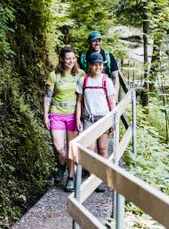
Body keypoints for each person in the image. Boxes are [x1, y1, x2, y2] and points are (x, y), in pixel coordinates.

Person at [44, 47, 84, 192]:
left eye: (73, 58)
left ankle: (71, 178)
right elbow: (47, 96)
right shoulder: (54, 75)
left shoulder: (80, 74)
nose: (71, 61)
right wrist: (45, 115)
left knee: (71, 148)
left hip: (73, 116)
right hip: (56, 114)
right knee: (59, 147)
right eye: (68, 58)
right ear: (61, 59)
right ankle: (62, 164)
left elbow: (84, 95)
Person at [76, 52, 117, 192]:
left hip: (104, 119)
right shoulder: (83, 81)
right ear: (89, 65)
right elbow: (79, 102)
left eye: (100, 64)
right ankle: (93, 178)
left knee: (103, 149)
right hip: (89, 119)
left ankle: (103, 178)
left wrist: (113, 121)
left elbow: (112, 103)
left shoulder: (107, 81)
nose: (98, 67)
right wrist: (77, 119)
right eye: (95, 65)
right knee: (89, 149)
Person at [78, 30, 120, 95]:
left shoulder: (108, 56)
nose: (97, 43)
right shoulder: (83, 57)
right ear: (89, 42)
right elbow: (78, 77)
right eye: (94, 40)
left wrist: (115, 95)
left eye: (99, 40)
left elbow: (115, 77)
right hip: (88, 92)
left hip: (106, 92)